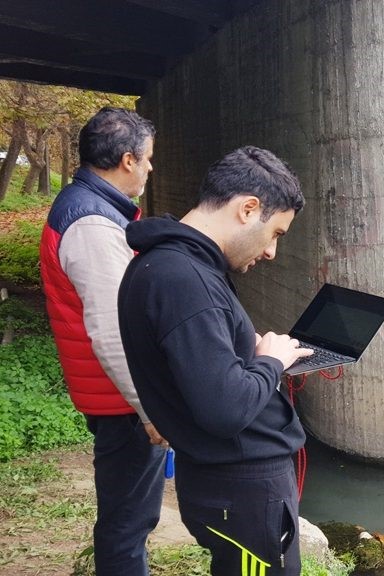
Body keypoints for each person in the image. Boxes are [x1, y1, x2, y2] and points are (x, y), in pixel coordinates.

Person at [117, 146, 314, 576]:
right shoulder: (185, 281)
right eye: (276, 233)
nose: (270, 253)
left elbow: (197, 369)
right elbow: (224, 409)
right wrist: (271, 362)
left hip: (232, 485)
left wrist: (247, 352)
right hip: (243, 492)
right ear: (248, 209)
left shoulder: (173, 267)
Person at [39, 107, 166, 576]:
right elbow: (114, 332)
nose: (151, 169)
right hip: (120, 402)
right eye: (148, 159)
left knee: (128, 515)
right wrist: (151, 407)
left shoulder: (86, 204)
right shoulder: (92, 222)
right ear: (128, 160)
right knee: (128, 522)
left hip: (108, 394)